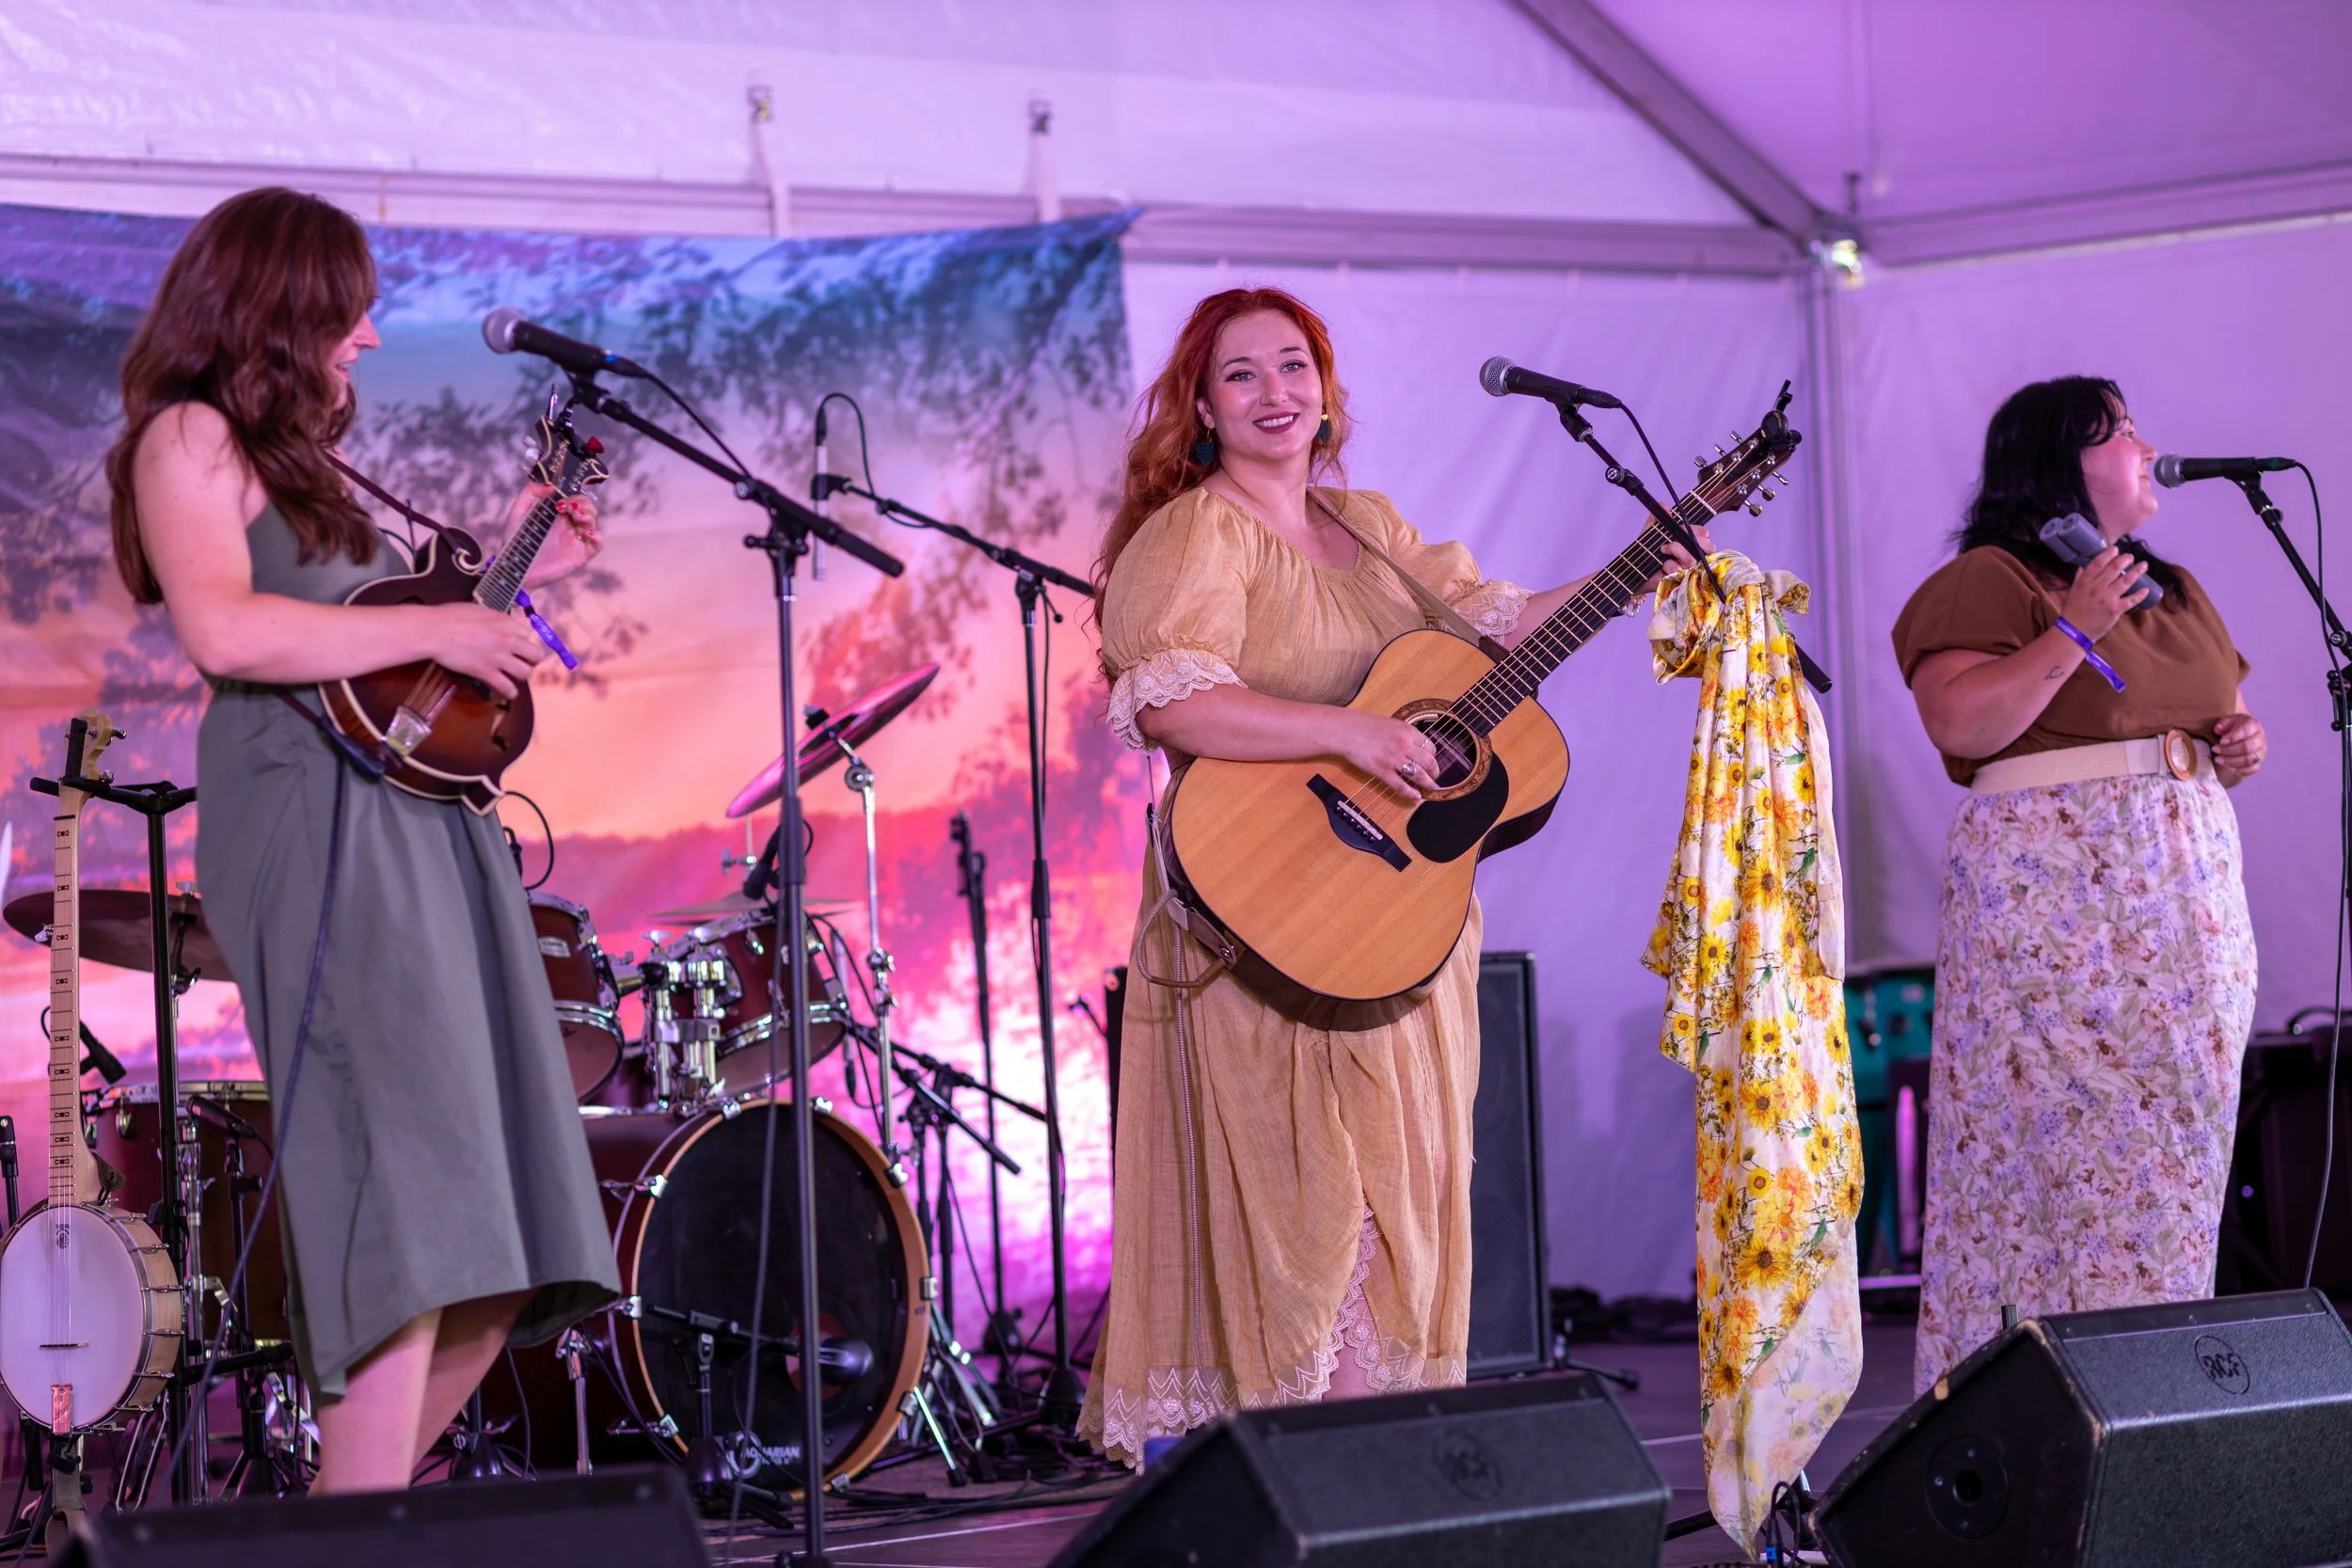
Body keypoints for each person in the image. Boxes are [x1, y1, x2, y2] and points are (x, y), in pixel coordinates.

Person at [1076, 287, 1692, 1464]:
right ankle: (1306, 1481)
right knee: (1305, 1207)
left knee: (1395, 1198)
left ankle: (1379, 1477)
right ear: (1200, 407)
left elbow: (1500, 629)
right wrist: (1344, 732)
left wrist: (1640, 565)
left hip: (1400, 921)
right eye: (1242, 373)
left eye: (1294, 365)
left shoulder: (1369, 527)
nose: (1275, 392)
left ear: (1328, 387)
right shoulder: (1196, 532)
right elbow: (1174, 703)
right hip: (1265, 915)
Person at [103, 187, 618, 1493]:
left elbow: (388, 660)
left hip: (421, 825)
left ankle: (354, 1516)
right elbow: (227, 631)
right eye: (352, 308)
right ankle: (352, 1536)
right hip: (310, 818)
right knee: (408, 1193)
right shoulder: (187, 435)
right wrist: (433, 629)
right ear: (279, 305)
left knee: (493, 1240)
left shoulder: (308, 470)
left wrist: (512, 573)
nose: (371, 338)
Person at [1891, 376, 2264, 1391]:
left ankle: (2150, 1402)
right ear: (2059, 460)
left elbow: (2210, 707)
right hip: (2057, 916)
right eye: (2120, 431)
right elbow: (1961, 727)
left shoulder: (2172, 587)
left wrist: (2233, 743)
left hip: (2182, 910)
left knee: (2169, 1162)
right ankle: (2026, 1414)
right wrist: (2074, 629)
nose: (2147, 445)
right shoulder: (1995, 576)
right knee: (2044, 1168)